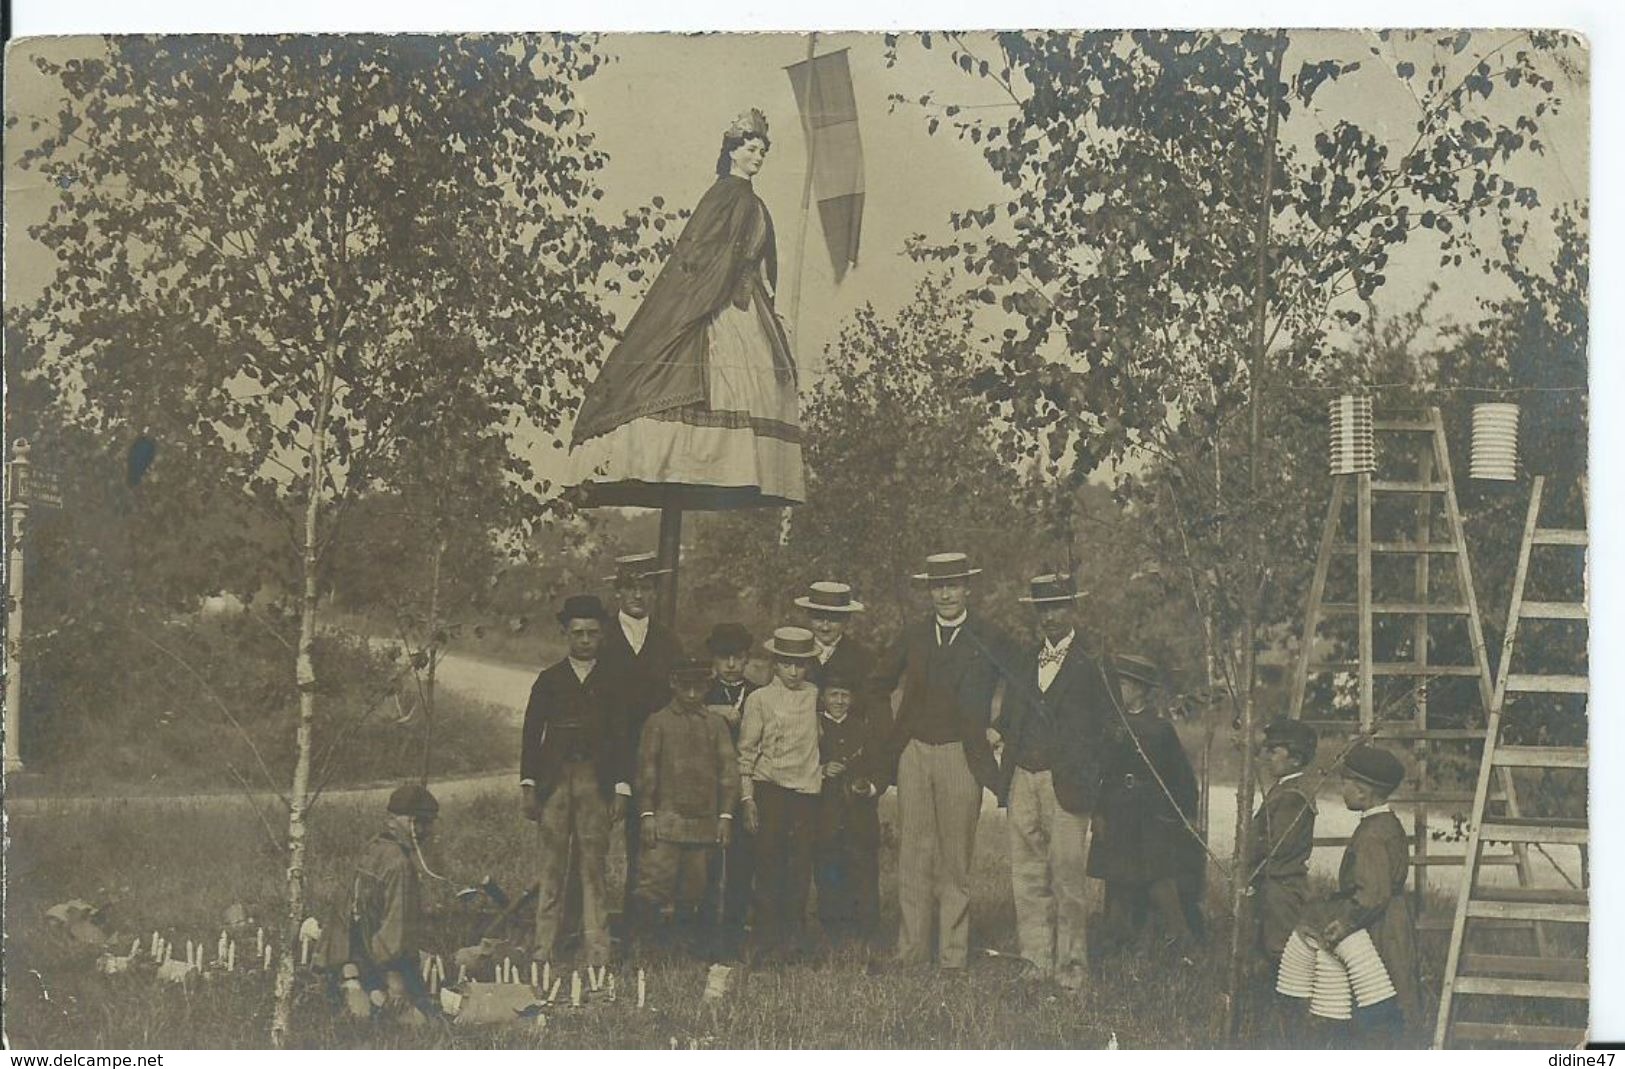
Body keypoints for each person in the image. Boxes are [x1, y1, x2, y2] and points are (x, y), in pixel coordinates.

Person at [567, 107, 803, 508]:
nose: (757, 157)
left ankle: (734, 468)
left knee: (753, 386)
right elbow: (699, 255)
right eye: (750, 148)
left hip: (747, 308)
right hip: (715, 305)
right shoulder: (722, 196)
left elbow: (763, 264)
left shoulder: (757, 206)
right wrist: (706, 291)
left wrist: (771, 310)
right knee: (693, 372)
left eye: (763, 151)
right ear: (732, 151)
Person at [868, 552, 1004, 972]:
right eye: (937, 586)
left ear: (967, 588)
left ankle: (952, 957)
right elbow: (876, 685)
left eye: (953, 585)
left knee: (955, 857)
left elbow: (1027, 683)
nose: (945, 594)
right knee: (913, 854)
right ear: (930, 592)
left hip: (963, 755)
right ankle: (910, 953)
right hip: (915, 753)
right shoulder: (915, 635)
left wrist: (1000, 727)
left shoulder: (988, 636)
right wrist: (894, 733)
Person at [991, 573, 1116, 990]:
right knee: (1027, 875)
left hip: (1069, 784)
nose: (1052, 616)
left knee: (1067, 878)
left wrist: (1095, 788)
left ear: (1074, 609)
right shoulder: (1026, 660)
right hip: (1023, 777)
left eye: (1059, 606)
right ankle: (1035, 961)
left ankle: (1072, 970)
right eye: (1044, 609)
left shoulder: (1093, 663)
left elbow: (1109, 731)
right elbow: (1008, 719)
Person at [520, 594, 632, 972]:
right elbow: (531, 734)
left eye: (593, 633)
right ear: (565, 633)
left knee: (593, 867)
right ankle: (543, 948)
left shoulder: (615, 681)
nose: (585, 640)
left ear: (602, 636)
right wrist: (529, 784)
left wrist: (620, 788)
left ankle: (597, 950)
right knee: (551, 865)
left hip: (595, 783)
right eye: (577, 633)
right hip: (555, 783)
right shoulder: (549, 680)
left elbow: (622, 737)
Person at [1298, 744, 1421, 1047]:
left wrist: (1345, 923)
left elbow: (1372, 893)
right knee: (1394, 986)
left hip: (1378, 925)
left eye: (1346, 783)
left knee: (1378, 989)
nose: (1342, 789)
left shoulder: (1372, 835)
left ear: (1364, 792)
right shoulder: (1385, 823)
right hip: (1391, 917)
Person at [1087, 653, 1204, 961]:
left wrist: (1187, 814)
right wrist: (1096, 812)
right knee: (1118, 875)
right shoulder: (1110, 724)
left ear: (1141, 689)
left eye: (1125, 683)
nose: (1120, 689)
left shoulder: (1160, 729)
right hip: (1116, 810)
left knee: (1156, 876)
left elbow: (1181, 777)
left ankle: (1180, 937)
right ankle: (1119, 936)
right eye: (1118, 682)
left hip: (1150, 814)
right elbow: (1099, 772)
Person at [598, 551, 685, 929]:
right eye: (630, 587)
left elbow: (677, 700)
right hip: (603, 754)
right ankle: (589, 927)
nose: (638, 594)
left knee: (647, 841)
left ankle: (640, 927)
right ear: (618, 592)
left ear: (654, 592)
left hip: (652, 759)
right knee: (592, 842)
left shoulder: (668, 641)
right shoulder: (598, 636)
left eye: (645, 587)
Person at [633, 658, 739, 956]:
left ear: (707, 687)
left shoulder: (717, 725)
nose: (692, 695)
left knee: (694, 890)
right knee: (653, 888)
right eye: (685, 688)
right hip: (666, 824)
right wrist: (647, 815)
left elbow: (729, 774)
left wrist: (726, 816)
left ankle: (683, 952)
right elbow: (646, 772)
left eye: (699, 688)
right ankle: (645, 952)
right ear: (673, 685)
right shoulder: (658, 722)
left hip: (703, 827)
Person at [319, 783, 441, 1024]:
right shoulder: (400, 866)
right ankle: (375, 995)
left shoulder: (372, 848)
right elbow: (394, 933)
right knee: (426, 1023)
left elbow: (342, 911)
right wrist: (395, 981)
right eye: (421, 822)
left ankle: (353, 984)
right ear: (401, 822)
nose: (427, 830)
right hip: (378, 963)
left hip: (348, 953)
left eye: (429, 822)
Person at [738, 626, 824, 962]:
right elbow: (746, 752)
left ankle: (793, 942)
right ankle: (764, 941)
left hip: (805, 794)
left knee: (799, 868)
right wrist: (747, 799)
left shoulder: (815, 695)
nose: (793, 671)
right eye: (787, 663)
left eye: (800, 664)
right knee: (768, 866)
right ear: (775, 664)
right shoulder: (759, 700)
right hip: (769, 791)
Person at [811, 669, 885, 952]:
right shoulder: (812, 729)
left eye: (845, 696)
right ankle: (834, 937)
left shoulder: (864, 730)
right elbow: (800, 766)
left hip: (860, 822)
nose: (839, 701)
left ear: (852, 699)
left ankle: (865, 938)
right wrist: (821, 770)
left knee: (864, 878)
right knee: (830, 878)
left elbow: (880, 769)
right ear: (822, 697)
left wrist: (869, 786)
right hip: (825, 821)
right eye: (834, 695)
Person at [701, 621, 762, 956]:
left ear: (747, 658)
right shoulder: (702, 691)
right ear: (713, 659)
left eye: (737, 657)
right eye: (723, 657)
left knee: (742, 860)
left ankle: (736, 931)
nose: (730, 665)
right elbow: (685, 712)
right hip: (708, 787)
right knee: (708, 860)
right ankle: (706, 929)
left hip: (745, 785)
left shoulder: (758, 694)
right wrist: (714, 711)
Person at [1248, 719, 1319, 971]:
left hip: (1282, 885)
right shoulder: (1284, 788)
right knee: (1267, 945)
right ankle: (1274, 1001)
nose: (1267, 757)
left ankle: (1294, 1003)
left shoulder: (1293, 797)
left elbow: (1276, 845)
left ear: (1296, 759)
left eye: (1274, 751)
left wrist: (1247, 853)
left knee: (1281, 949)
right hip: (1272, 882)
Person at [796, 581, 875, 695]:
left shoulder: (863, 658)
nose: (825, 627)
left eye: (833, 619)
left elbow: (872, 704)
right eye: (818, 618)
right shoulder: (795, 651)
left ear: (846, 619)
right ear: (808, 617)